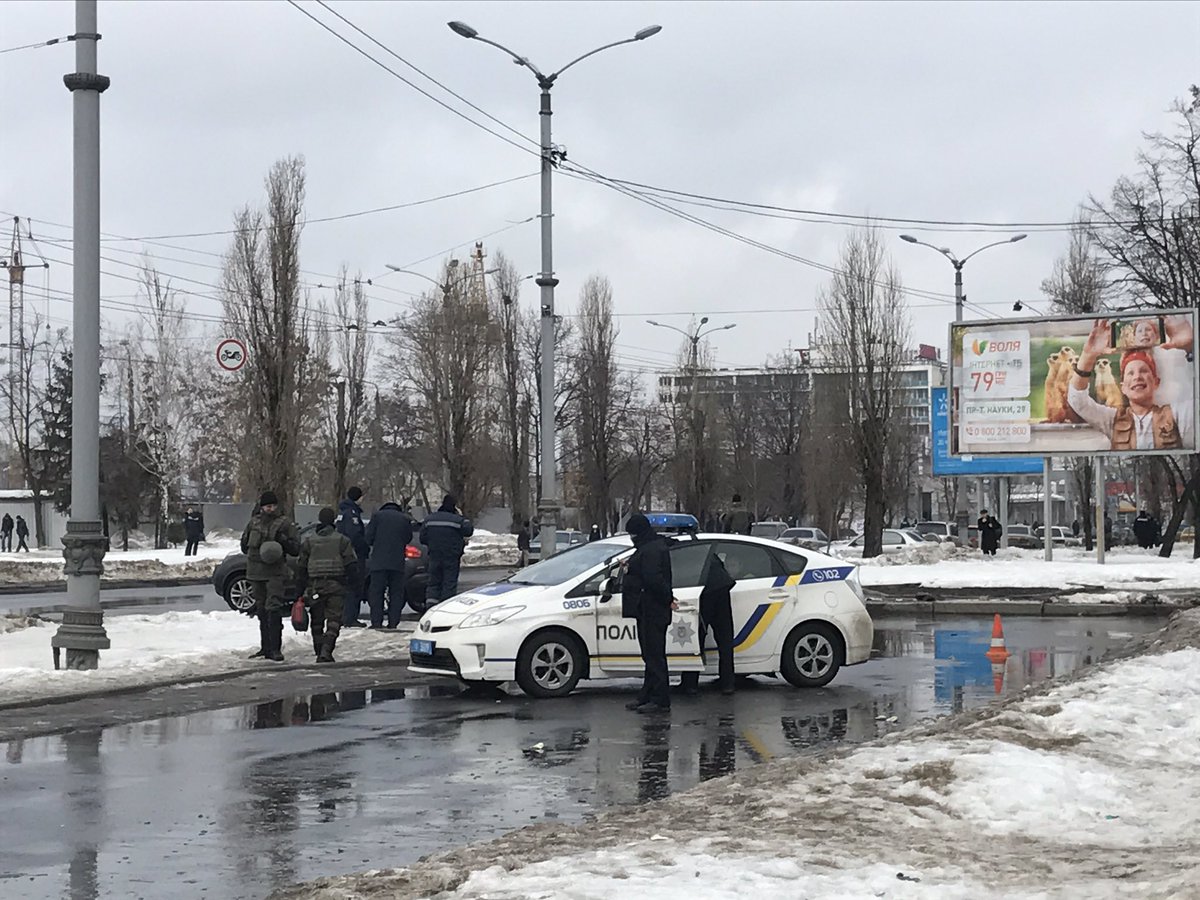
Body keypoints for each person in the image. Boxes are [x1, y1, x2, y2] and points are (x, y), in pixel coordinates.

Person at [1068, 317, 1195, 451]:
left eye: (1144, 371)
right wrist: (1088, 356)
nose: (1137, 377)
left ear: (1156, 382)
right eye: (1130, 373)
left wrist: (1191, 347)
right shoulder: (1112, 419)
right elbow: (1078, 401)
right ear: (1123, 387)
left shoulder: (1177, 415)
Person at [622, 513, 676, 713]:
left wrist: (668, 599)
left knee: (654, 656)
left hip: (652, 609)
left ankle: (660, 699)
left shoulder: (651, 549)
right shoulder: (649, 547)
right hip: (647, 608)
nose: (631, 538)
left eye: (633, 534)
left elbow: (653, 579)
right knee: (650, 655)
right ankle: (647, 694)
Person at [240, 491, 302, 661]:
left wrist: (284, 541)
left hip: (275, 573)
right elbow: (244, 546)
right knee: (261, 610)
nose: (271, 509)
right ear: (262, 507)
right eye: (268, 506)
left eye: (273, 506)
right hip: (256, 572)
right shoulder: (253, 523)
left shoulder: (284, 523)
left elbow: (296, 549)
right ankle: (265, 647)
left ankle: (275, 648)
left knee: (273, 608)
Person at [298, 507, 358, 662]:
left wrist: (301, 589)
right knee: (334, 620)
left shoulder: (309, 541)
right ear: (333, 521)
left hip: (315, 586)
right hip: (336, 585)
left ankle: (319, 650)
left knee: (316, 620)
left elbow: (301, 567)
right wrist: (352, 583)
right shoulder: (342, 540)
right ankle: (326, 650)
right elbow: (351, 564)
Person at [678, 550, 736, 696]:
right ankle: (727, 683)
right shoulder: (705, 549)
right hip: (721, 588)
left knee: (696, 639)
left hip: (704, 592)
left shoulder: (686, 550)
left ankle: (690, 684)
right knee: (725, 639)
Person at [365, 500, 414, 629]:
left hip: (379, 562)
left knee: (377, 592)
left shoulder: (377, 516)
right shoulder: (404, 519)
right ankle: (393, 622)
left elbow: (368, 537)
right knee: (396, 593)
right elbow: (408, 538)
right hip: (397, 562)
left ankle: (376, 622)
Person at [420, 494, 473, 605]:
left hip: (434, 556)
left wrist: (433, 544)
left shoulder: (429, 519)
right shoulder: (457, 520)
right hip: (451, 557)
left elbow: (422, 538)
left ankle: (430, 606)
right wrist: (462, 516)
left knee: (433, 583)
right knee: (449, 583)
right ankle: (445, 606)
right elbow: (469, 531)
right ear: (454, 506)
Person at [336, 486, 370, 628]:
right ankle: (350, 618)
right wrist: (364, 548)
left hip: (343, 555)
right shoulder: (352, 514)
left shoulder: (342, 512)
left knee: (346, 587)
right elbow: (354, 535)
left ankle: (344, 616)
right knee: (355, 586)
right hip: (354, 555)